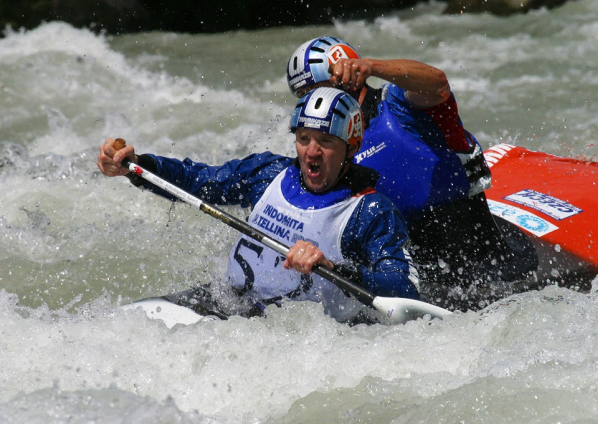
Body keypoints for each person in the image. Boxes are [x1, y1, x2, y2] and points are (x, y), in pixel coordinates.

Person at [97, 87, 420, 323]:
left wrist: (335, 267)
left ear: (353, 146)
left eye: (326, 142)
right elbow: (200, 181)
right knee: (121, 326)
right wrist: (139, 166)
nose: (312, 151)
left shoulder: (370, 211)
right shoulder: (267, 173)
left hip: (296, 332)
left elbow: (403, 288)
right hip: (228, 302)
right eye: (304, 138)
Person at [286, 37, 538, 310]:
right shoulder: (323, 151)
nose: (312, 103)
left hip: (487, 267)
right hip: (409, 279)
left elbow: (437, 82)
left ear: (349, 79)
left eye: (317, 90)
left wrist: (371, 65)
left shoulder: (400, 106)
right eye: (303, 96)